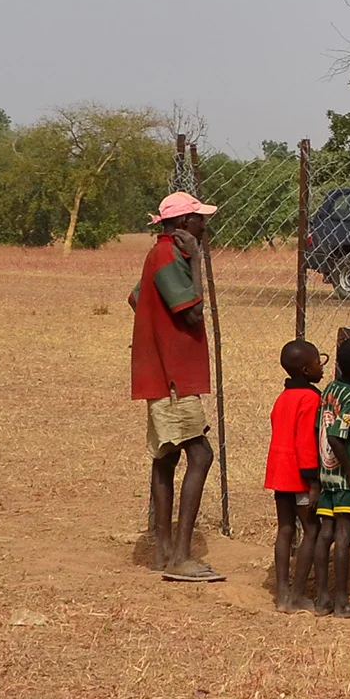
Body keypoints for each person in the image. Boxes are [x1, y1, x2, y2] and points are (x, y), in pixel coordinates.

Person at [130, 190, 224, 583]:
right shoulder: (171, 256)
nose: (205, 225)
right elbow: (193, 313)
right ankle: (181, 556)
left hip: (162, 373)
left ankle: (163, 550)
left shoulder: (160, 254)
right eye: (200, 219)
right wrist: (199, 263)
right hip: (173, 379)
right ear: (184, 224)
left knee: (166, 457)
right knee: (200, 456)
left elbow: (136, 298)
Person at [310, 333, 350, 616]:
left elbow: (320, 429)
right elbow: (337, 436)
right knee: (344, 534)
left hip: (326, 474)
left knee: (326, 533)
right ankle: (342, 600)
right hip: (345, 476)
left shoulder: (329, 391)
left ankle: (322, 597)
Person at [264, 341, 325, 611]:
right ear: (305, 369)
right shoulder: (310, 399)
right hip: (300, 476)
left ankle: (282, 593)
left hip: (280, 473)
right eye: (317, 362)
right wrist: (313, 482)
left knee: (285, 530)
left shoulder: (283, 397)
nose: (321, 365)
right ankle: (298, 595)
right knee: (311, 530)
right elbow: (306, 444)